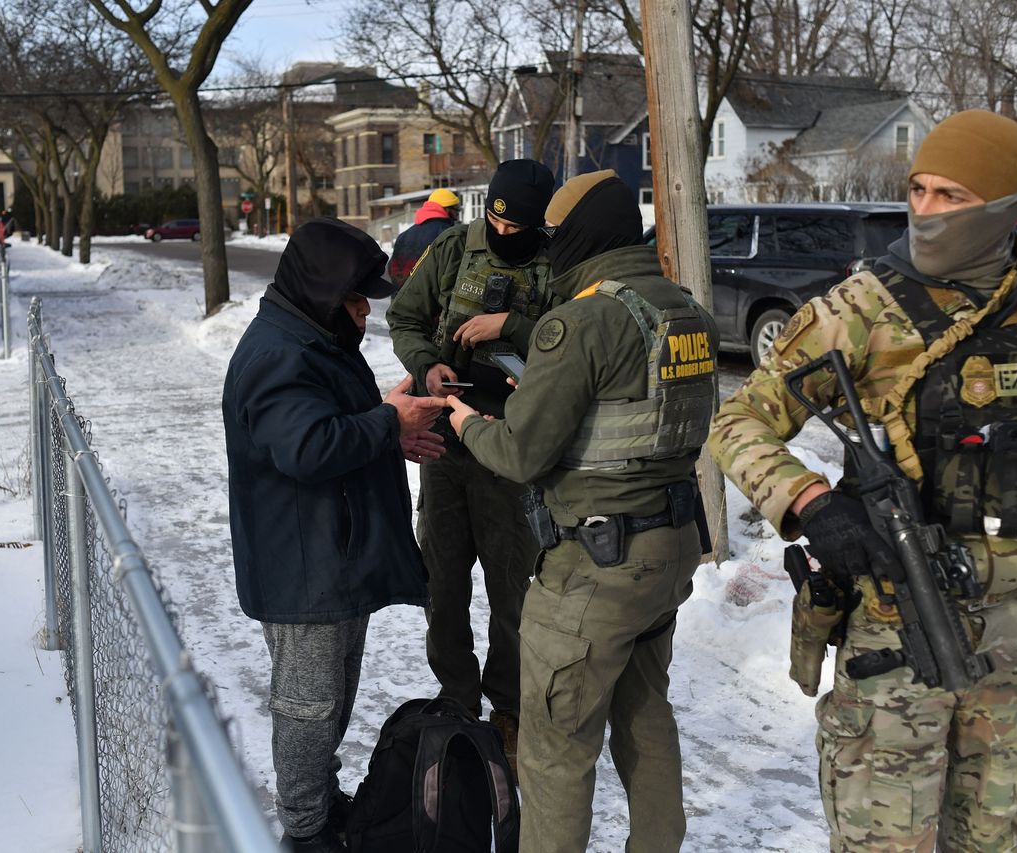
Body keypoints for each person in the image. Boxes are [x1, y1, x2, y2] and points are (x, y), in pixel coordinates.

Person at [708, 110, 1017, 851]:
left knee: (994, 839)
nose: (924, 212)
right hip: (895, 629)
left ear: (1000, 205)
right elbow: (739, 420)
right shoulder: (863, 309)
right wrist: (810, 500)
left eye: (949, 196)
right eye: (917, 190)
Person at [446, 170, 718, 853]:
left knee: (555, 747)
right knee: (645, 717)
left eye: (557, 237)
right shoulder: (682, 309)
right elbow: (635, 412)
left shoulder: (582, 320)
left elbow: (521, 453)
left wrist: (465, 421)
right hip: (669, 546)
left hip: (594, 567)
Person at [222, 217, 447, 853]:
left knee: (333, 701)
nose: (363, 312)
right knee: (308, 707)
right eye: (354, 299)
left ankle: (320, 798)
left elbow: (335, 424)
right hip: (303, 567)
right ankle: (304, 828)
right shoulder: (279, 356)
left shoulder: (314, 340)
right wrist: (386, 421)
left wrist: (390, 427)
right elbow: (307, 446)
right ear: (323, 292)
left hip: (334, 556)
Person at [385, 158, 557, 769]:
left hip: (511, 445)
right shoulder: (456, 246)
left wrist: (515, 325)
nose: (505, 235)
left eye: (519, 228)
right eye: (498, 222)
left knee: (512, 584)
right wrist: (427, 365)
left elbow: (581, 334)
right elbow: (403, 316)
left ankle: (507, 705)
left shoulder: (557, 261)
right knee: (444, 578)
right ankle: (457, 698)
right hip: (446, 438)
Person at [386, 187, 461, 288]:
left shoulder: (404, 235)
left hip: (401, 298)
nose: (458, 215)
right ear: (447, 209)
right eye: (457, 210)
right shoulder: (447, 233)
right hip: (431, 300)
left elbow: (392, 269)